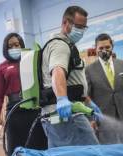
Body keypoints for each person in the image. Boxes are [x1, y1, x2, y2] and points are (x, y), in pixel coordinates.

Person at [40, 6, 101, 148]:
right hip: (67, 115)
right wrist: (62, 98)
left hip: (57, 116)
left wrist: (88, 102)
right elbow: (58, 72)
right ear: (65, 23)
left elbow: (72, 82)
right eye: (78, 26)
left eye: (83, 28)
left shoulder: (66, 45)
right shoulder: (60, 46)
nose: (80, 31)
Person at [0, 33, 47, 156]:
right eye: (10, 46)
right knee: (15, 151)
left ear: (21, 45)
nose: (14, 48)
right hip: (14, 111)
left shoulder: (31, 60)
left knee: (40, 147)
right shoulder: (2, 67)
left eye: (17, 45)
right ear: (5, 49)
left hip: (34, 108)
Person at [86, 33, 123, 144]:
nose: (104, 50)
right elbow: (88, 98)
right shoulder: (89, 70)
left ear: (112, 46)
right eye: (101, 48)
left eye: (107, 47)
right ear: (96, 48)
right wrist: (91, 119)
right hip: (104, 122)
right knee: (111, 153)